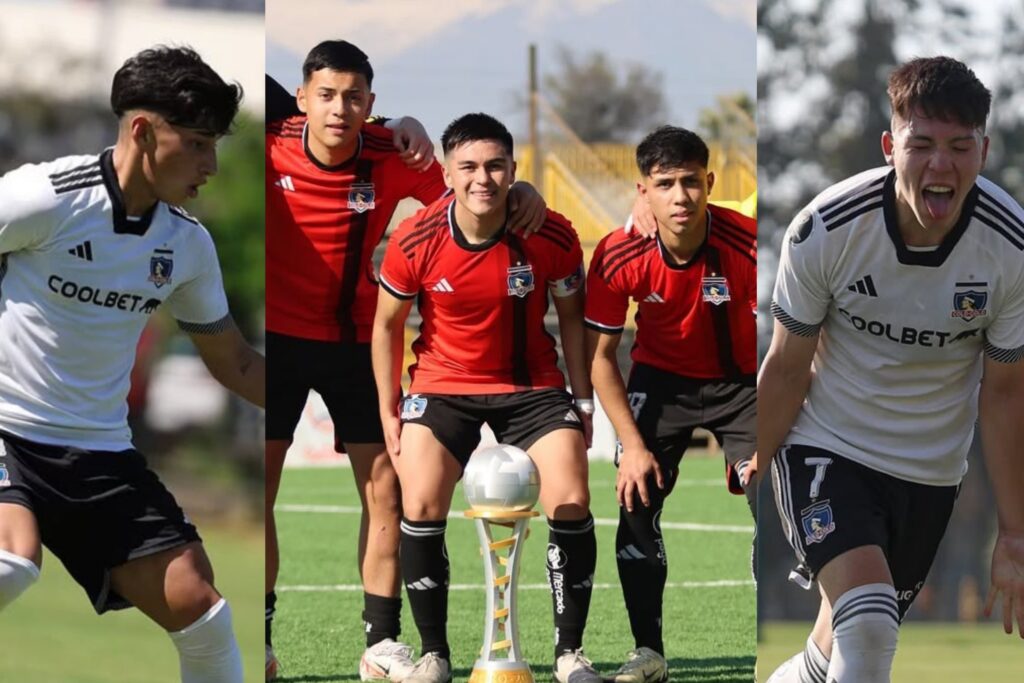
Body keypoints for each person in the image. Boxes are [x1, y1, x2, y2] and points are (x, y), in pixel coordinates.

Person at [264, 40, 547, 682]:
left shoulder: (392, 154)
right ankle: (261, 640)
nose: (340, 109)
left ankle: (382, 644)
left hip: (356, 341)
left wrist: (519, 184)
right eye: (327, 95)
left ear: (372, 104)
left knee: (383, 490)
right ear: (303, 98)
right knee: (262, 492)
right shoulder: (269, 142)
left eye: (355, 97)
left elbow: (468, 185)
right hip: (274, 343)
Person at [0, 46, 265, 683]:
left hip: (98, 453)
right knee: (12, 560)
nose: (211, 164)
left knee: (200, 609)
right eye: (198, 143)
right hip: (7, 426)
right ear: (143, 131)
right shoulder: (44, 198)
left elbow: (234, 362)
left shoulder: (186, 243)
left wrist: (336, 402)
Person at [758, 56, 1024, 683]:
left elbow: (1007, 394)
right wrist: (750, 462)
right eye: (922, 144)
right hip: (828, 448)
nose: (941, 164)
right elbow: (787, 367)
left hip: (929, 477)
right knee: (872, 628)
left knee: (837, 656)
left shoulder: (1008, 248)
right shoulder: (823, 231)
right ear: (889, 147)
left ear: (983, 152)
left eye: (960, 147)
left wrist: (1013, 533)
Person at [372, 112, 602, 683]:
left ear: (514, 171)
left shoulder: (551, 233)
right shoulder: (415, 239)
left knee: (570, 499)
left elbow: (573, 318)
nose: (484, 179)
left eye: (496, 166)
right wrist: (390, 405)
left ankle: (569, 653)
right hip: (442, 386)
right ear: (448, 173)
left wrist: (583, 400)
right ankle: (434, 655)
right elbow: (385, 326)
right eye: (469, 166)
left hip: (533, 388)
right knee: (420, 503)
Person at [585, 126, 757, 682]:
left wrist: (771, 435)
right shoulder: (617, 255)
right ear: (645, 191)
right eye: (665, 184)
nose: (680, 196)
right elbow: (599, 358)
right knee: (635, 503)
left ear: (710, 183)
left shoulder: (750, 243)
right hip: (660, 384)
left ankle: (794, 643)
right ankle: (648, 652)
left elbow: (791, 339)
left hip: (744, 386)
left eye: (689, 181)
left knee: (777, 502)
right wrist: (630, 446)